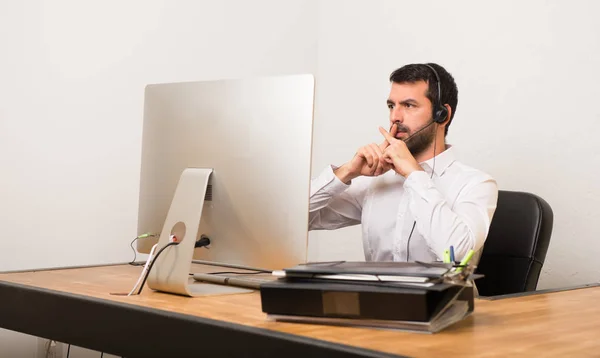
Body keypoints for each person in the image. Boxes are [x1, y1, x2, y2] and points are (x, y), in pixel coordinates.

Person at [309, 63, 498, 264]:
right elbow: (293, 219)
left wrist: (414, 175)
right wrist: (347, 172)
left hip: (444, 296)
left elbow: (454, 252)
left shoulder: (477, 184)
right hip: (377, 295)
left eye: (408, 105)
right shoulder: (376, 181)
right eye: (392, 106)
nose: (394, 117)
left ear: (442, 115)